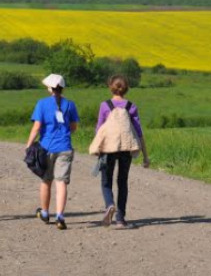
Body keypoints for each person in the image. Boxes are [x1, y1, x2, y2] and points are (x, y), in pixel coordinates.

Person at [89, 75, 150, 229]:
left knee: (106, 181)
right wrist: (145, 156)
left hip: (109, 148)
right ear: (126, 89)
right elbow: (138, 132)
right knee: (122, 182)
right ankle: (121, 219)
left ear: (111, 87)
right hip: (126, 148)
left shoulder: (105, 105)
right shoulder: (131, 106)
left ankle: (109, 204)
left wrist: (97, 148)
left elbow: (99, 129)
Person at [25, 74, 79, 230]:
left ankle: (45, 212)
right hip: (65, 148)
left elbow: (36, 127)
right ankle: (60, 216)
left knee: (46, 181)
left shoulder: (42, 104)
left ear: (49, 88)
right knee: (61, 182)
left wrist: (28, 145)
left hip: (46, 148)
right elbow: (74, 127)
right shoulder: (70, 104)